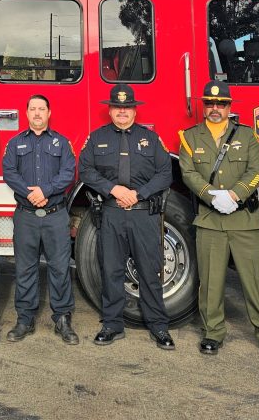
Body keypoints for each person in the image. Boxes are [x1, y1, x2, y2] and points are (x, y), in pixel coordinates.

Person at [176, 80, 259, 363]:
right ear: (204, 106)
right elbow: (188, 173)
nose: (215, 108)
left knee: (256, 281)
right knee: (211, 282)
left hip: (244, 220)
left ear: (229, 107)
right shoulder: (189, 137)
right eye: (210, 104)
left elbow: (256, 170)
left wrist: (235, 195)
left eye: (221, 104)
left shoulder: (247, 136)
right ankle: (212, 333)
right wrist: (212, 196)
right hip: (210, 220)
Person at [79, 84, 174, 349]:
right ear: (110, 110)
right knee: (111, 270)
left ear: (134, 110)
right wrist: (113, 189)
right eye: (118, 107)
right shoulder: (96, 138)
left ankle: (159, 326)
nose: (122, 111)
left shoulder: (151, 139)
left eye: (127, 107)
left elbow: (165, 173)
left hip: (143, 214)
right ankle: (111, 324)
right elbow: (85, 170)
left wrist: (139, 193)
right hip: (111, 213)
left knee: (149, 271)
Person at [1, 94, 79, 345]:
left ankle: (63, 319)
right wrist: (29, 193)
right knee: (25, 269)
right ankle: (24, 319)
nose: (37, 113)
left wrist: (44, 191)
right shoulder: (14, 144)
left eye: (41, 109)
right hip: (26, 216)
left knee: (59, 268)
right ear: (26, 114)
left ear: (49, 113)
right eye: (32, 109)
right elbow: (9, 173)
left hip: (55, 216)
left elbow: (69, 172)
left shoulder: (61, 143)